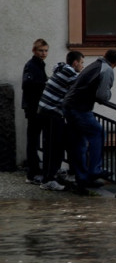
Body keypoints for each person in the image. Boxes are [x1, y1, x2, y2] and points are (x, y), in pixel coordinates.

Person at [63, 49, 116, 192]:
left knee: (79, 142)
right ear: (115, 63)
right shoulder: (107, 69)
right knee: (98, 133)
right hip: (80, 108)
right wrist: (109, 93)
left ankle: (82, 178)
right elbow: (102, 95)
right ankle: (94, 169)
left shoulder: (94, 65)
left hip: (69, 105)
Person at [37, 51, 85, 191]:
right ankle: (48, 180)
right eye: (81, 63)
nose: (82, 66)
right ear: (75, 63)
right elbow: (83, 86)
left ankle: (53, 175)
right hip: (51, 112)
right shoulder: (70, 73)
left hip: (48, 112)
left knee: (56, 145)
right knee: (53, 148)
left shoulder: (63, 69)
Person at [22, 38, 49, 185]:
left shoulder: (38, 64)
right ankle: (32, 172)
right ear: (34, 51)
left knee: (34, 139)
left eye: (45, 50)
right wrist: (45, 84)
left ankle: (35, 170)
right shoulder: (32, 65)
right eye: (41, 50)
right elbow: (28, 84)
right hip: (34, 108)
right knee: (33, 140)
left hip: (36, 107)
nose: (44, 53)